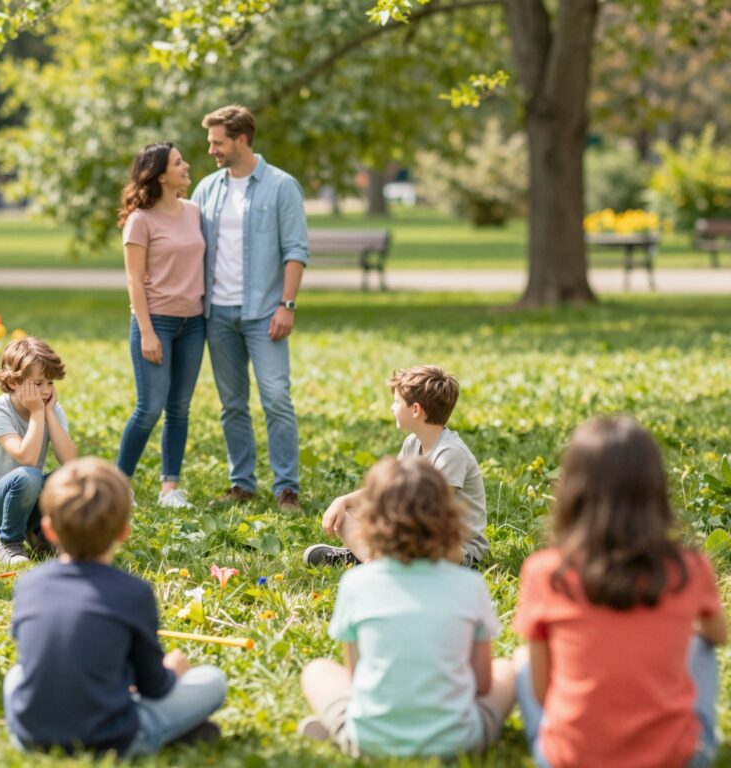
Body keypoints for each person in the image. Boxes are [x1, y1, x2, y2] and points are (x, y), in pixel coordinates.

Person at [511, 416, 727, 768]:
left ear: (572, 490)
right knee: (700, 646)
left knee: (522, 663)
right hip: (675, 759)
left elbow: (541, 691)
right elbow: (718, 635)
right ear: (655, 489)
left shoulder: (545, 571)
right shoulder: (690, 567)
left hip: (571, 759)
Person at [4, 457, 227, 755]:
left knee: (15, 676)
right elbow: (154, 687)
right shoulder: (134, 593)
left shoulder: (29, 584)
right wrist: (173, 670)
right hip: (110, 739)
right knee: (213, 680)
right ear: (123, 531)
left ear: (49, 529)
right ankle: (163, 731)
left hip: (31, 736)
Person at [299, 457, 514, 758]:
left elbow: (357, 677)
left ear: (372, 521)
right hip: (458, 741)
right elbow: (481, 684)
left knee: (316, 671)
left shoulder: (357, 584)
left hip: (372, 739)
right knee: (507, 668)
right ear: (448, 518)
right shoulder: (469, 585)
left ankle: (341, 729)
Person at [191, 105, 308, 511]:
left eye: (217, 142)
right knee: (232, 404)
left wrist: (286, 305)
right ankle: (242, 483)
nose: (212, 150)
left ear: (241, 139)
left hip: (265, 314)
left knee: (276, 397)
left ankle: (286, 487)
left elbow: (296, 250)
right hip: (217, 314)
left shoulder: (281, 186)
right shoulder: (206, 188)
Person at [305, 365, 488, 567]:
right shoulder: (412, 443)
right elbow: (387, 490)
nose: (392, 407)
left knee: (411, 534)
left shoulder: (451, 453)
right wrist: (343, 501)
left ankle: (373, 561)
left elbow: (433, 512)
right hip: (415, 531)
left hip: (456, 548)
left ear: (416, 410)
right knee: (347, 512)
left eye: (396, 402)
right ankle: (377, 559)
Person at [115, 142, 206, 509]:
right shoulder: (140, 220)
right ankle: (118, 486)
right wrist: (148, 332)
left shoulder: (194, 211)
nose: (186, 166)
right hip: (156, 323)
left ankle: (170, 488)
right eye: (178, 162)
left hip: (194, 323)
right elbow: (134, 281)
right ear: (160, 174)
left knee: (179, 408)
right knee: (150, 408)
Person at [0, 336, 77, 565]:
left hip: (28, 497)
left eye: (50, 383)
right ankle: (8, 543)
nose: (46, 391)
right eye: (38, 384)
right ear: (15, 382)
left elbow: (70, 460)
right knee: (29, 476)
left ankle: (42, 536)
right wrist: (37, 413)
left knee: (72, 476)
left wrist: (48, 414)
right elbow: (27, 458)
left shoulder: (51, 409)